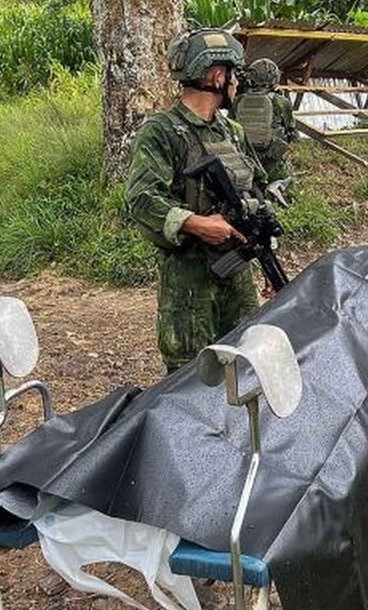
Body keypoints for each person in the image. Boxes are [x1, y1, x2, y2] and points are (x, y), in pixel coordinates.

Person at [127, 28, 271, 373]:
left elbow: (258, 189)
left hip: (238, 276)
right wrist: (197, 224)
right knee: (190, 382)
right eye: (234, 73)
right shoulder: (162, 132)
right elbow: (141, 198)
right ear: (217, 75)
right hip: (190, 285)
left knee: (246, 367)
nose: (237, 83)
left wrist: (266, 256)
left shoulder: (231, 132)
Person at [232, 57, 297, 186]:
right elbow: (291, 130)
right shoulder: (280, 102)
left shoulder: (238, 100)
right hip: (272, 163)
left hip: (245, 161)